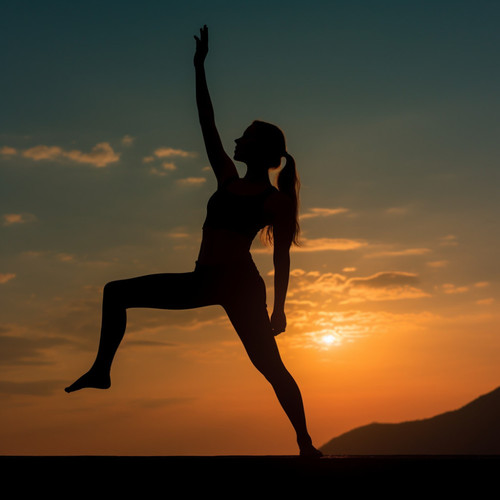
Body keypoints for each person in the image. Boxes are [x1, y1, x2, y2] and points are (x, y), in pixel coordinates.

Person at [65, 25, 322, 457]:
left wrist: (279, 310)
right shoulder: (226, 177)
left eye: (246, 137)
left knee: (271, 367)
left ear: (260, 151)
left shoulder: (274, 201)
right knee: (116, 293)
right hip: (203, 279)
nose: (237, 140)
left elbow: (281, 261)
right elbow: (207, 121)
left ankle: (305, 443)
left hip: (239, 285)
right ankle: (102, 370)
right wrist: (199, 67)